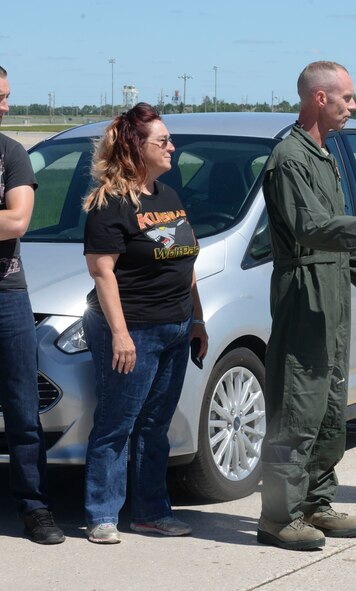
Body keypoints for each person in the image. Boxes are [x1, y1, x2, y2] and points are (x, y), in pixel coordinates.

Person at [258, 61, 356, 551]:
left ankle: (315, 503)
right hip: (304, 294)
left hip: (333, 296)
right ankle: (279, 517)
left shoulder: (324, 153)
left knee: (328, 406)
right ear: (319, 99)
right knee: (297, 406)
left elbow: (333, 223)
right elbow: (308, 226)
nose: (354, 105)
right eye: (346, 97)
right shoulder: (290, 156)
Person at [82, 102, 208, 544]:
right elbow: (102, 272)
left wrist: (198, 318)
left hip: (176, 327)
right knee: (117, 423)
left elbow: (186, 260)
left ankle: (152, 512)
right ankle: (101, 514)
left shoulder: (167, 195)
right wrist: (119, 334)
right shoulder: (110, 204)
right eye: (163, 141)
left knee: (155, 426)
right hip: (133, 329)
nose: (172, 147)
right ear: (138, 149)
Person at [0, 65, 65, 545]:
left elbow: (17, 221)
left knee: (23, 407)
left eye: (7, 96)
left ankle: (35, 506)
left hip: (7, 297)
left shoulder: (12, 153)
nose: (5, 106)